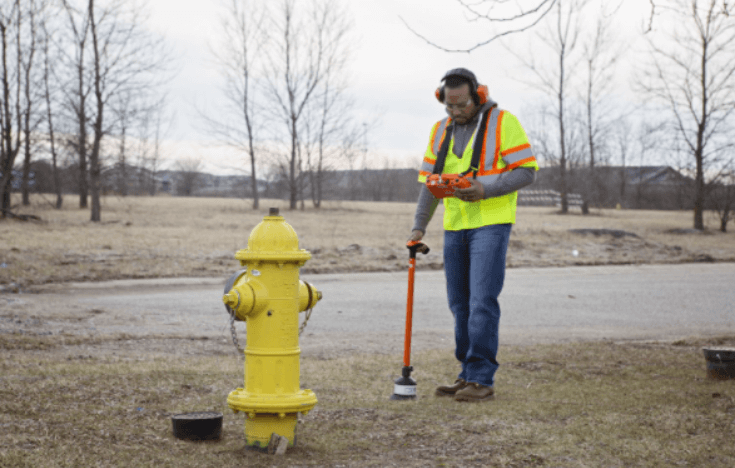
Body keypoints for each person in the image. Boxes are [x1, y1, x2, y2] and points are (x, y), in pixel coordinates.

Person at [409, 68, 538, 402]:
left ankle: (481, 378)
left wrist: (485, 189)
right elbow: (430, 184)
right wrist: (418, 227)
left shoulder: (502, 122)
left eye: (461, 105)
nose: (455, 112)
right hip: (455, 227)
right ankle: (466, 373)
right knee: (460, 304)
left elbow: (527, 171)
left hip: (491, 223)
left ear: (478, 96)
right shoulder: (441, 131)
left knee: (482, 301)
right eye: (448, 106)